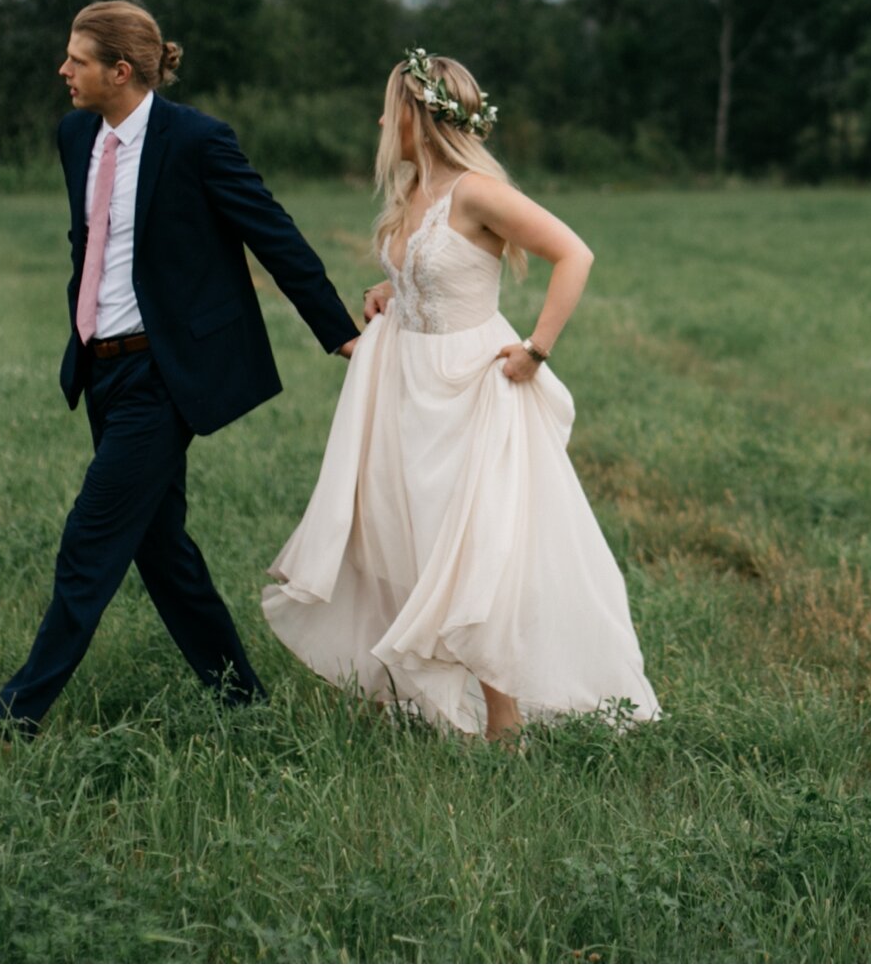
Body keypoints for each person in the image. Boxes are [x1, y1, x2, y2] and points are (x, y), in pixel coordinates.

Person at [0, 1, 360, 744]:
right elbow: (91, 243)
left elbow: (272, 234)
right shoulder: (75, 133)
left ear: (120, 71)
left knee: (90, 542)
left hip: (163, 375)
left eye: (76, 61)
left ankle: (11, 721)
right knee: (163, 553)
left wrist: (340, 335)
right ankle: (245, 705)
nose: (63, 72)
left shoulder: (197, 141)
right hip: (101, 371)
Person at [261, 49, 658, 741]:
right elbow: (435, 270)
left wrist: (536, 349)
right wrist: (394, 289)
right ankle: (400, 689)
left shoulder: (475, 191)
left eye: (392, 107)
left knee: (473, 547)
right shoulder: (412, 192)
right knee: (391, 531)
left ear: (418, 115)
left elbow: (575, 253)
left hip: (469, 384)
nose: (382, 118)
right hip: (398, 381)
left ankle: (503, 721)